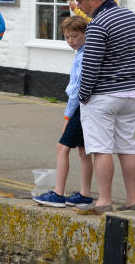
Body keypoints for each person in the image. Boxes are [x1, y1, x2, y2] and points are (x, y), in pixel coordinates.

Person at [71, 0, 135, 213]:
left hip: (104, 96)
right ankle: (132, 202)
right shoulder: (130, 16)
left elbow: (91, 66)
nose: (78, 6)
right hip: (131, 92)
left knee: (101, 149)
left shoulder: (98, 24)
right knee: (127, 148)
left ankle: (104, 201)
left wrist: (82, 96)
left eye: (80, 1)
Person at [33, 16, 95, 208]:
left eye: (74, 36)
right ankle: (85, 194)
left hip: (80, 107)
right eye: (67, 37)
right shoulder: (84, 52)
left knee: (63, 148)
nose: (70, 41)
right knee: (84, 151)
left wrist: (68, 115)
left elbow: (76, 89)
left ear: (86, 34)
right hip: (90, 106)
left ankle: (58, 193)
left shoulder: (83, 56)